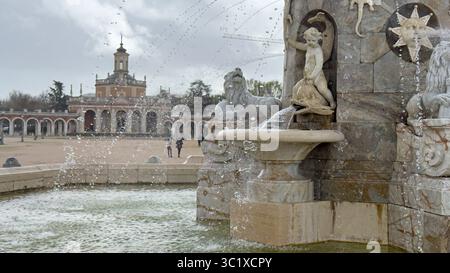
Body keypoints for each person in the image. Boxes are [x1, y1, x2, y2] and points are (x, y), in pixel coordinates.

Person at [288, 27, 336, 110]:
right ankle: (294, 102)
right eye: (308, 40)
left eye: (313, 41)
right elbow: (299, 45)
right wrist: (289, 41)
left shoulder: (318, 50)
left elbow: (318, 65)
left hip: (317, 76)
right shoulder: (308, 47)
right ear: (306, 39)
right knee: (295, 88)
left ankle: (332, 102)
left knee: (323, 89)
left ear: (318, 39)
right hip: (307, 76)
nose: (311, 43)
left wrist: (312, 76)